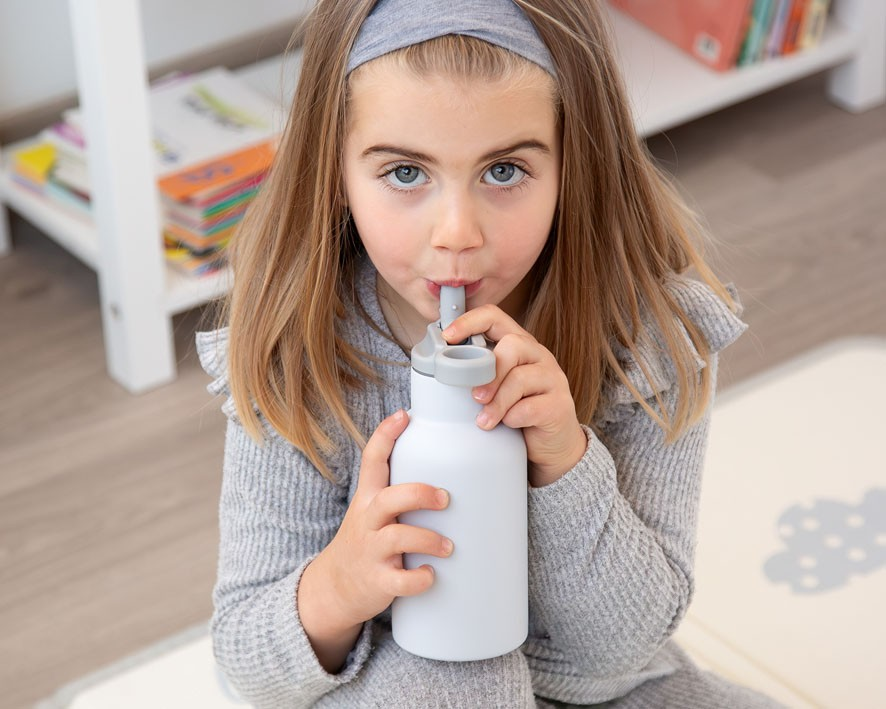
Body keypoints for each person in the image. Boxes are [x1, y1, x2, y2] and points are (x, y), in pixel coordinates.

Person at [196, 0, 783, 706]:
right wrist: (341, 583)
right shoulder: (302, 354)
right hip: (395, 682)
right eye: (406, 173)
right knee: (469, 686)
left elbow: (625, 643)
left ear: (576, 162)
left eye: (504, 171)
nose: (456, 233)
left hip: (600, 685)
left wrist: (565, 461)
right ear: (335, 174)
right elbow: (247, 662)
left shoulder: (648, 338)